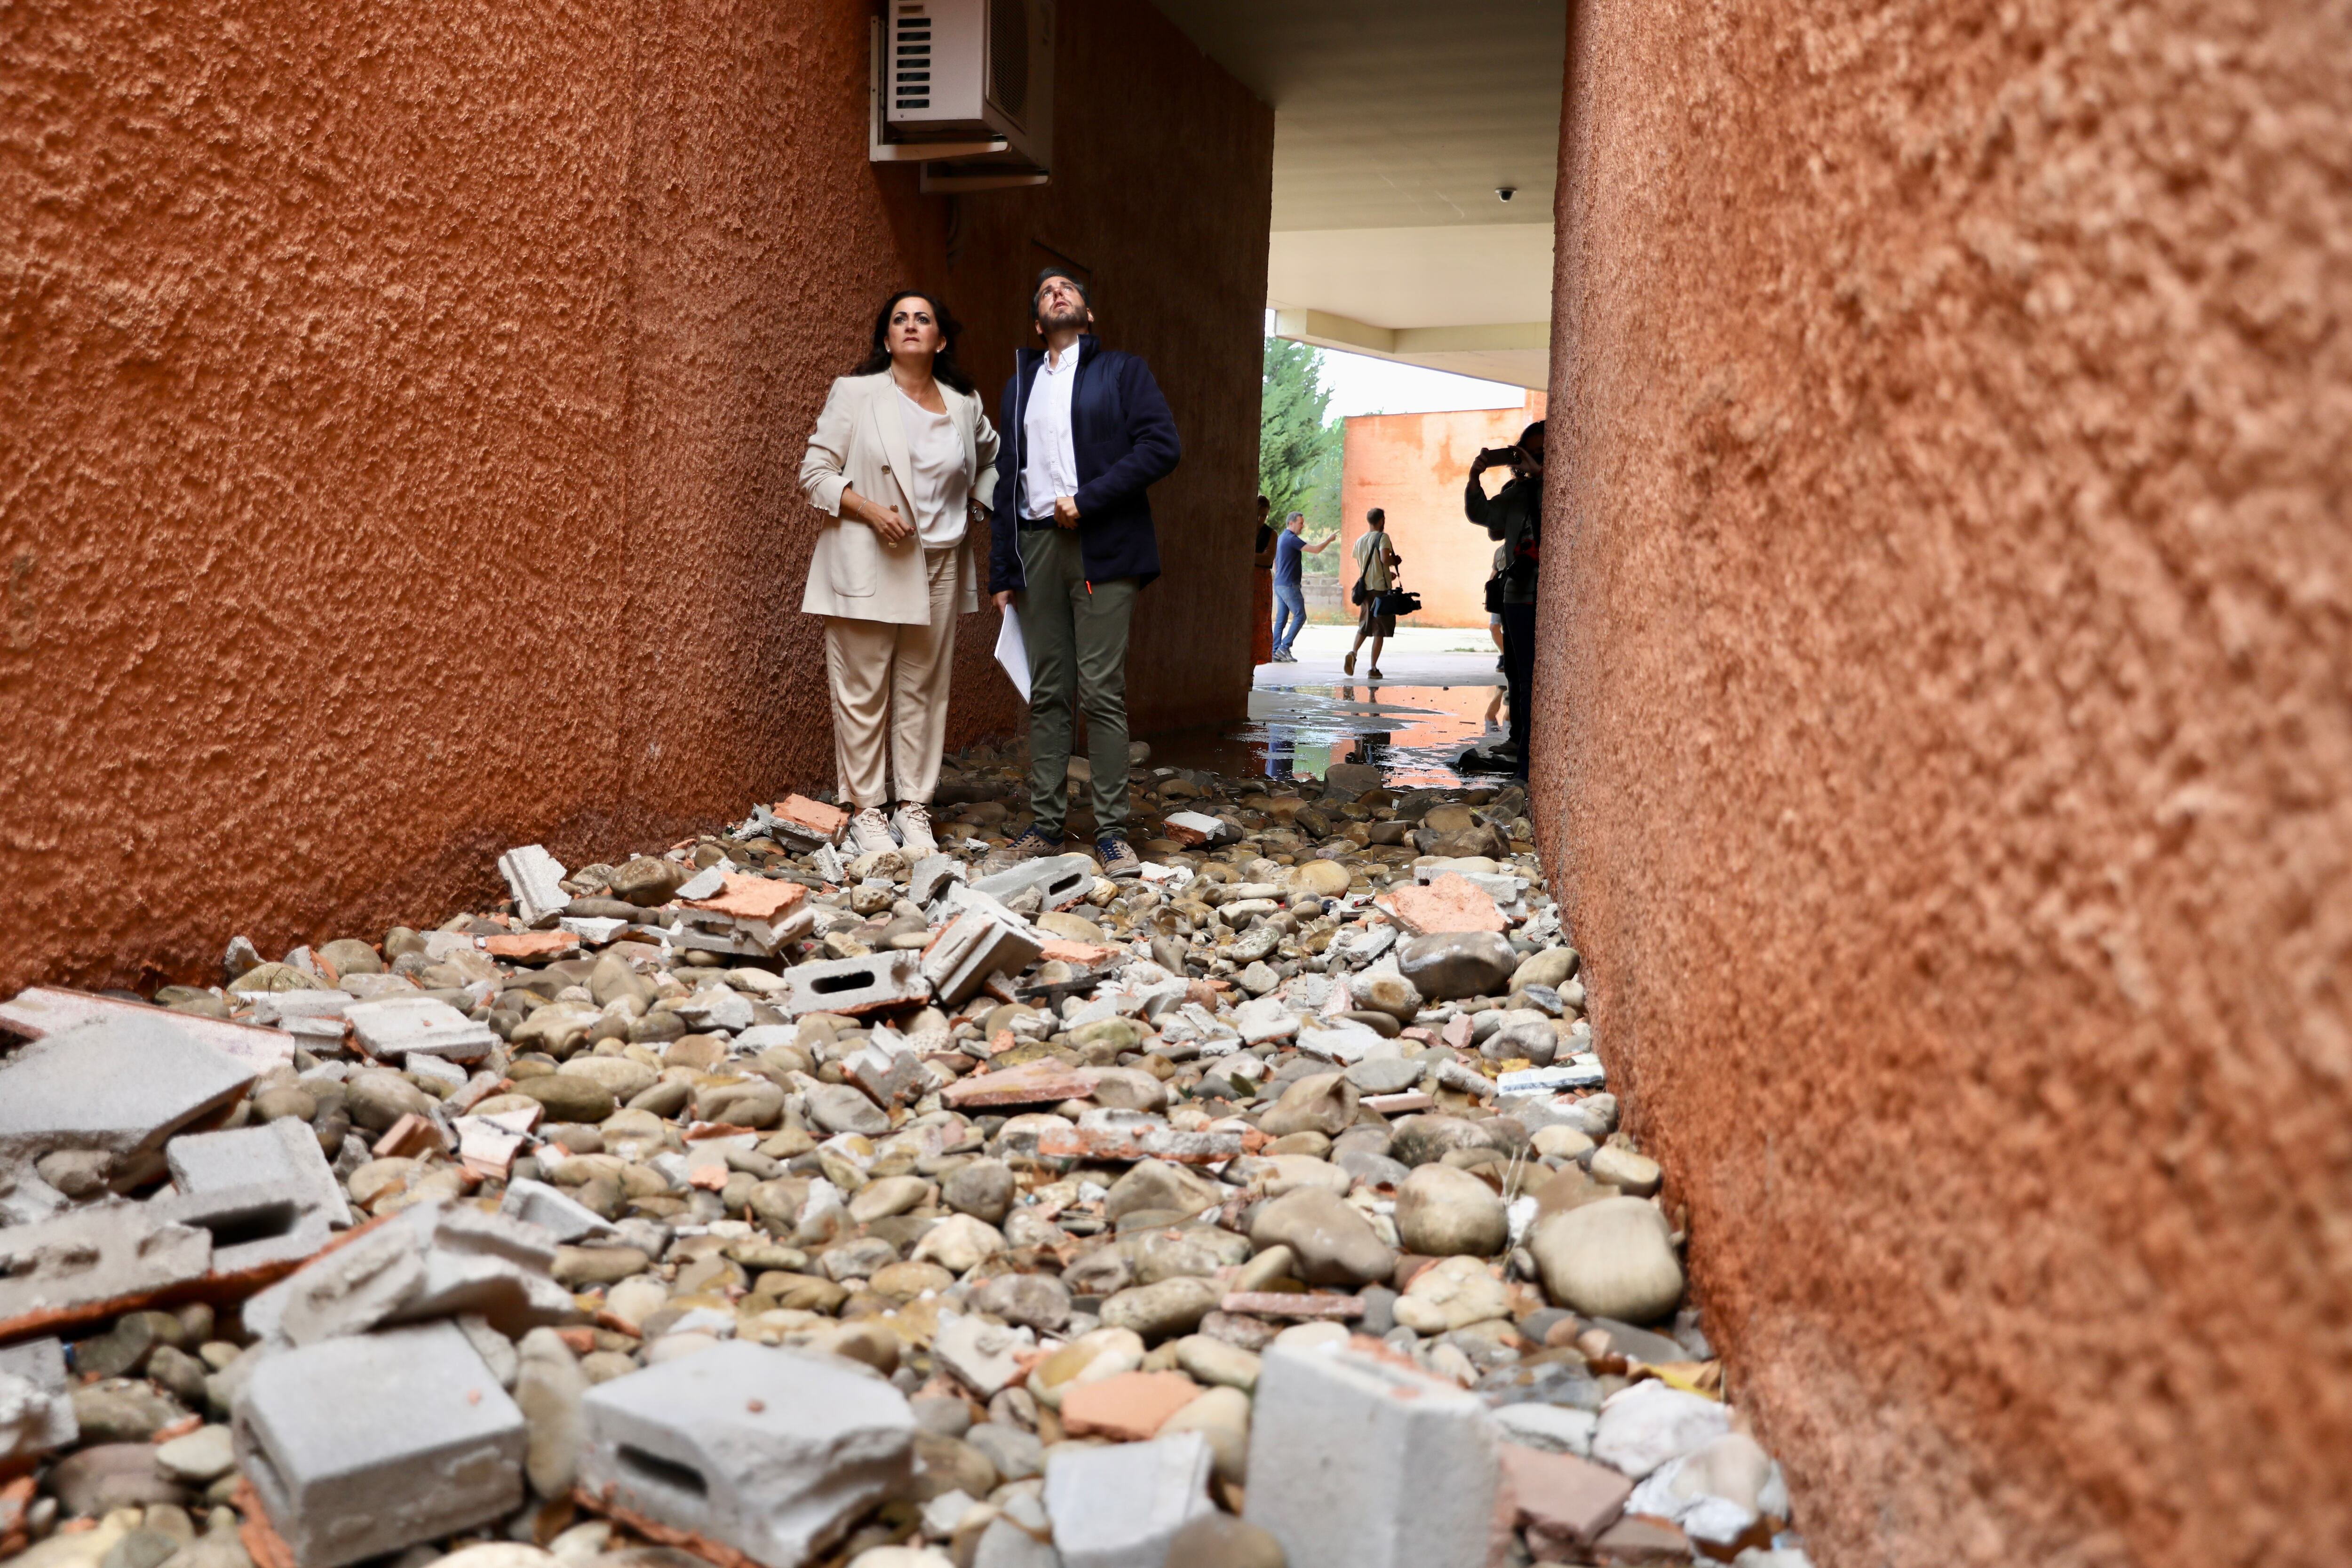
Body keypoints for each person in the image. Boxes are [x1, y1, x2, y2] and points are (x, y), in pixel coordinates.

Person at [987, 268, 1182, 878]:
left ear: (1088, 315)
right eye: (1045, 292)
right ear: (1036, 322)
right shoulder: (1019, 386)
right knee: (1048, 691)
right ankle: (1045, 827)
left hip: (1102, 545)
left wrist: (1090, 498)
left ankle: (1112, 832)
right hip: (1037, 547)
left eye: (1067, 288)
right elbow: (1006, 481)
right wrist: (1002, 568)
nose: (1057, 293)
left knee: (1100, 690)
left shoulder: (1123, 372)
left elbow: (1161, 445)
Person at [798, 290, 999, 858]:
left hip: (938, 563)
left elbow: (992, 459)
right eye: (899, 320)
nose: (911, 326)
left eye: (923, 319)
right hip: (870, 560)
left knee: (923, 693)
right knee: (862, 694)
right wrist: (869, 509)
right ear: (886, 339)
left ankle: (913, 807)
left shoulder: (964, 405)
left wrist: (976, 506)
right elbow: (813, 472)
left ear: (939, 339)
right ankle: (867, 811)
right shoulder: (857, 393)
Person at [1467, 420, 1545, 774]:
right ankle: (1520, 746)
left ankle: (1526, 760)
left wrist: (1541, 475)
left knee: (1531, 677)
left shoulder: (1550, 486)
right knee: (1518, 673)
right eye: (1528, 452)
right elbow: (1484, 517)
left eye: (1542, 453)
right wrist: (1475, 478)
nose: (1533, 459)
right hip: (1517, 592)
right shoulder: (1520, 491)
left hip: (1538, 595)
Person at [1342, 507, 1400, 679]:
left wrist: (1384, 571)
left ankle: (1353, 653)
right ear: (1382, 520)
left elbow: (1367, 564)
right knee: (1379, 630)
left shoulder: (1360, 541)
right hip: (1380, 590)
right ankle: (1373, 669)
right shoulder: (1383, 537)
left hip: (1365, 589)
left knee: (1365, 624)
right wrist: (1394, 561)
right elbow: (1383, 559)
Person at [1270, 510, 1335, 662]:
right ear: (1291, 523)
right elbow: (1316, 550)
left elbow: (1274, 561)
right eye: (1301, 523)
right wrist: (1329, 540)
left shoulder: (1281, 538)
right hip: (1289, 585)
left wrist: (1279, 574)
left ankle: (1274, 650)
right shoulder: (1291, 539)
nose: (1303, 527)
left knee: (1282, 618)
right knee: (1300, 615)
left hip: (1280, 584)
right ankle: (1284, 648)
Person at [1251, 494, 1276, 666]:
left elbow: (1268, 559)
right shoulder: (1244, 530)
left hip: (1261, 584)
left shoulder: (1271, 534)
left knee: (1259, 625)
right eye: (1259, 514)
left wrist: (1248, 556)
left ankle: (1251, 671)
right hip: (1248, 582)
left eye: (1264, 516)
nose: (1261, 519)